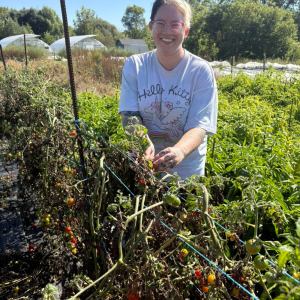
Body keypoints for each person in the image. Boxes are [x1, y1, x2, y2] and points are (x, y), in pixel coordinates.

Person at [119, 0, 218, 180]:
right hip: (145, 167)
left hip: (187, 174)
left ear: (186, 31)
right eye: (160, 23)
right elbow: (129, 115)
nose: (166, 31)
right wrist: (142, 140)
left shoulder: (200, 71)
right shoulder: (135, 65)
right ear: (151, 27)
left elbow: (200, 126)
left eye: (175, 25)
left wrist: (179, 151)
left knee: (185, 207)